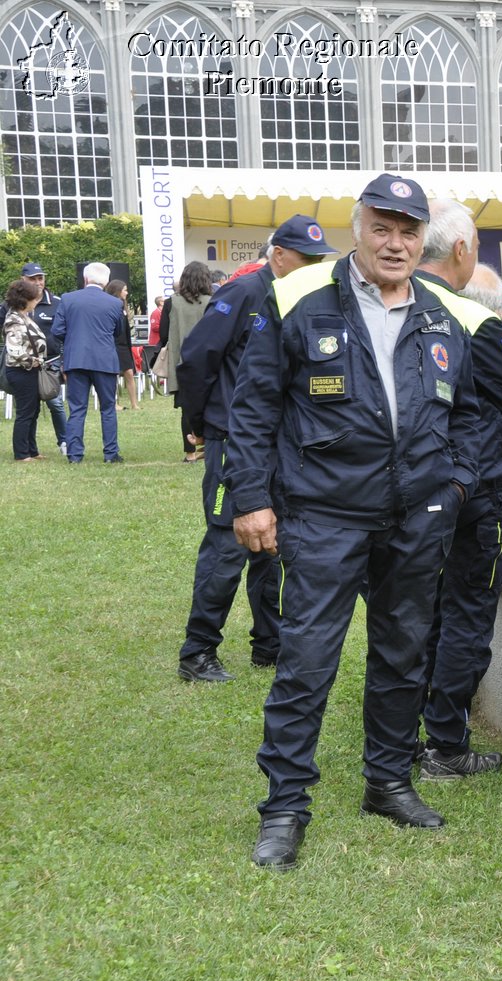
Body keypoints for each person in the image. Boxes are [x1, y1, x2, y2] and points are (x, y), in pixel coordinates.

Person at [228, 174, 481, 870]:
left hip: (416, 518)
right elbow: (252, 407)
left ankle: (388, 780)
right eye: (383, 227)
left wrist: (456, 483)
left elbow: (472, 411)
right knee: (307, 660)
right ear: (356, 226)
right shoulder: (299, 299)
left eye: (409, 230)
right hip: (324, 514)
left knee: (403, 655)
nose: (396, 243)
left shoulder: (443, 312)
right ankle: (284, 806)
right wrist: (250, 496)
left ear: (422, 237)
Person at [173, 215, 338, 685]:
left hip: (280, 445)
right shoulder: (246, 292)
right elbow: (197, 359)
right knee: (227, 546)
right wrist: (200, 424)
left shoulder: (304, 299)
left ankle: (270, 644)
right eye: (304, 258)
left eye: (317, 260)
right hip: (234, 441)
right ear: (278, 254)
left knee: (271, 546)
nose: (312, 267)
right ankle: (198, 651)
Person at [413, 200, 502, 779]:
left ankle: (398, 734)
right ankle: (445, 744)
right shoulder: (472, 321)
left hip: (404, 490)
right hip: (473, 491)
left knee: (413, 612)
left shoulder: (386, 303)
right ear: (463, 249)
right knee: (464, 613)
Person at [51, 262, 127, 464]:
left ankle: (74, 454)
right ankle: (111, 453)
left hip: (76, 359)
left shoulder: (68, 299)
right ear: (107, 281)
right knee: (108, 408)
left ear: (85, 279)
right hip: (104, 360)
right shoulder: (115, 303)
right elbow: (118, 331)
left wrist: (74, 339)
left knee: (77, 408)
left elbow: (57, 330)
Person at [160, 261, 215, 460]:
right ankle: (209, 448)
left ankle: (189, 452)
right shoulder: (213, 301)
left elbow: (163, 334)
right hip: (208, 362)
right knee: (211, 405)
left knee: (187, 409)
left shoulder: (171, 302)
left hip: (181, 363)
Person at [22, 264, 69, 455]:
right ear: (23, 280)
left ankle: (65, 442)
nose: (38, 282)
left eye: (40, 277)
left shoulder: (57, 303)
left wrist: (66, 360)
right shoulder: (14, 302)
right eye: (33, 278)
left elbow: (66, 333)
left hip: (51, 360)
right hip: (24, 362)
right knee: (28, 406)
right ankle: (28, 448)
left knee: (54, 402)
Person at [4, 278, 52, 462]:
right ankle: (21, 453)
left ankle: (32, 450)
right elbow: (15, 351)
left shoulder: (25, 317)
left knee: (33, 411)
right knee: (25, 412)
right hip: (20, 371)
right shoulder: (14, 320)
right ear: (24, 300)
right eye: (34, 298)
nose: (37, 302)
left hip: (29, 371)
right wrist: (35, 361)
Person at [103, 279, 140, 413]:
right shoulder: (110, 305)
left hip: (124, 345)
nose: (127, 292)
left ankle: (134, 403)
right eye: (124, 290)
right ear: (118, 291)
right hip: (113, 344)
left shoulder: (123, 306)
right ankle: (114, 403)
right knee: (113, 375)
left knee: (129, 373)